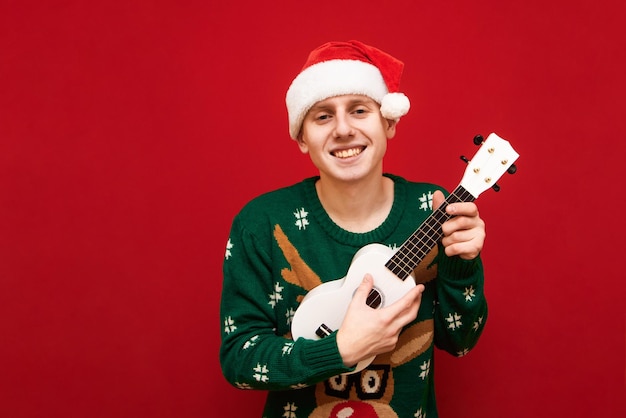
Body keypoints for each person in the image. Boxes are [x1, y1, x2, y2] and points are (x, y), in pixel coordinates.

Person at [220, 40, 488, 417]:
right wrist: (339, 351)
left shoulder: (432, 209)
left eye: (359, 110)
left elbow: (460, 340)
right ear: (301, 137)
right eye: (323, 116)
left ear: (388, 123)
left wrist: (463, 264)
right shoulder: (262, 222)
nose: (343, 129)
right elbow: (239, 360)